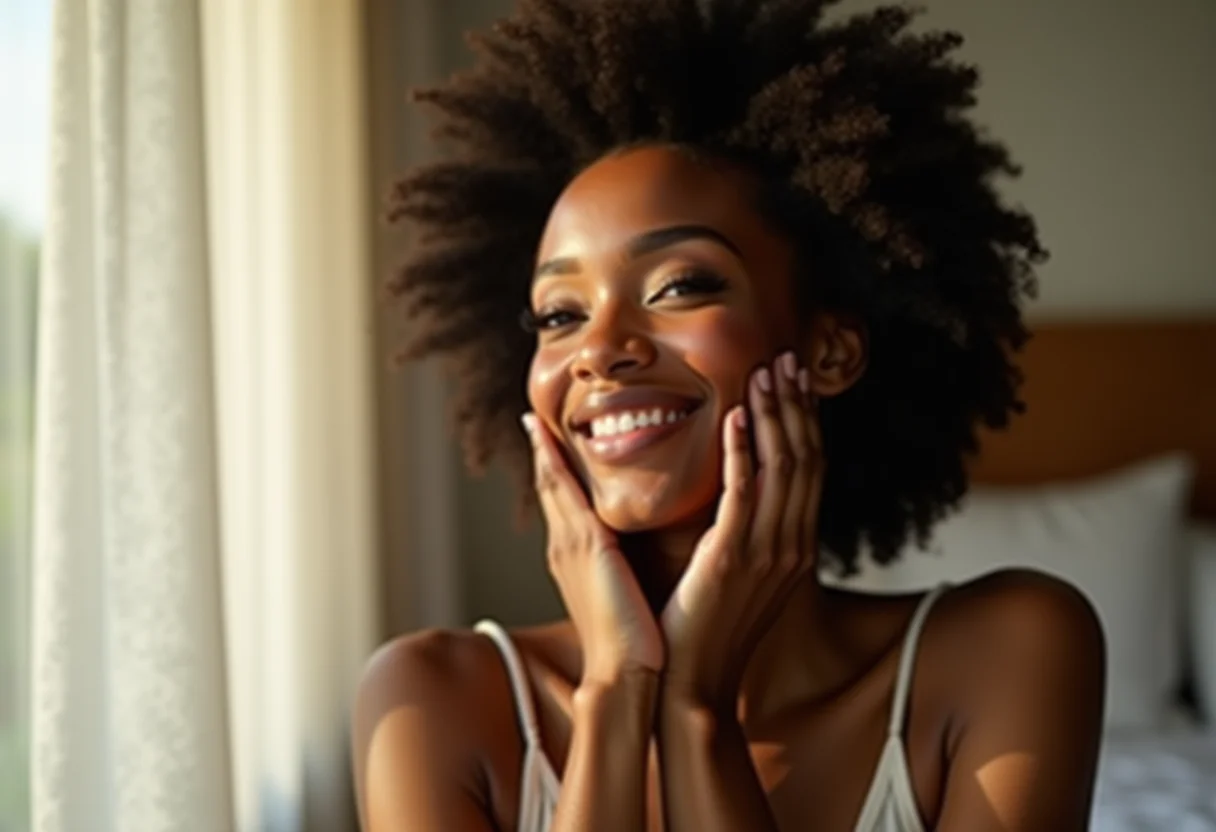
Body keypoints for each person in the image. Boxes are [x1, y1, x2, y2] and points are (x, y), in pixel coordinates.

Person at [352, 1, 1106, 829]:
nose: (598, 350)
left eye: (678, 286)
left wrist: (695, 709)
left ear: (829, 353)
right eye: (560, 315)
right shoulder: (431, 702)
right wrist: (616, 692)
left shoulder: (1009, 650)